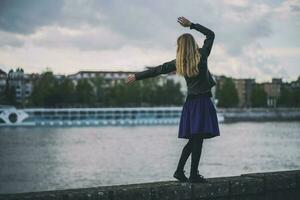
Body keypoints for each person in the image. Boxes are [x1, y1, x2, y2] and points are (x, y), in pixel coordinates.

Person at [125, 16, 220, 183]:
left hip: (191, 103)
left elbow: (157, 70)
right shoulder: (202, 55)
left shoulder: (178, 62)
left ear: (180, 48)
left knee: (195, 139)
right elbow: (211, 35)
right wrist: (191, 25)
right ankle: (193, 175)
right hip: (203, 101)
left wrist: (137, 76)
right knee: (198, 139)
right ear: (193, 44)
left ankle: (180, 172)